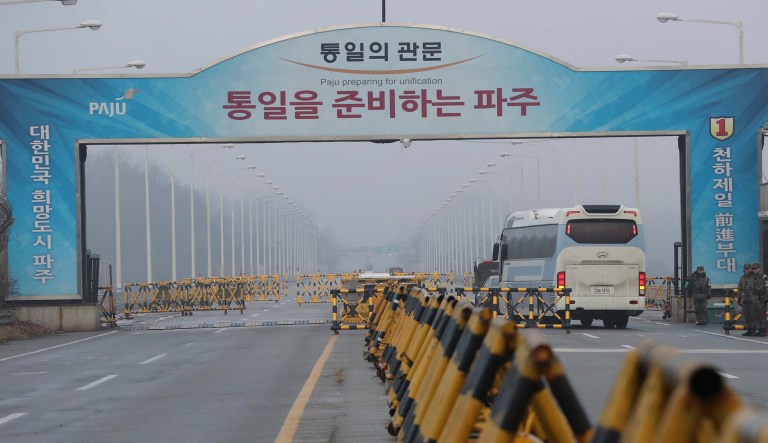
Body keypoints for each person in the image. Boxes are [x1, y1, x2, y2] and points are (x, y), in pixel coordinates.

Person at [749, 263, 767, 337]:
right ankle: (758, 329)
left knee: (762, 314)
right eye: (753, 269)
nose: (755, 270)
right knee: (755, 314)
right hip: (754, 298)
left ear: (759, 268)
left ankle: (762, 330)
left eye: (756, 268)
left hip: (761, 297)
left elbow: (767, 287)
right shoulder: (751, 277)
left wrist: (766, 297)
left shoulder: (764, 277)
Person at [737, 263, 754, 335]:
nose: (746, 270)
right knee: (746, 315)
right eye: (745, 269)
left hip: (753, 299)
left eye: (748, 268)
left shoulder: (754, 277)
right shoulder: (742, 278)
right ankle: (748, 330)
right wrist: (738, 298)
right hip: (744, 298)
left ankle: (754, 330)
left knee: (753, 315)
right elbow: (739, 288)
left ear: (751, 269)